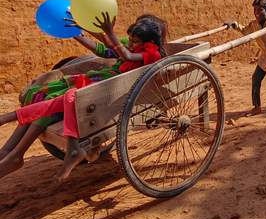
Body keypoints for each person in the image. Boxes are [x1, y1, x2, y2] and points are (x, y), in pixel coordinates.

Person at [0, 13, 165, 182]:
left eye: (134, 39)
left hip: (107, 90)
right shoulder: (132, 44)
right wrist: (79, 31)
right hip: (101, 78)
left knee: (57, 99)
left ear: (150, 40)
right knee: (40, 94)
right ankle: (9, 150)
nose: (129, 42)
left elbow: (123, 53)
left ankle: (16, 152)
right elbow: (105, 48)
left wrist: (107, 31)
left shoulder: (151, 54)